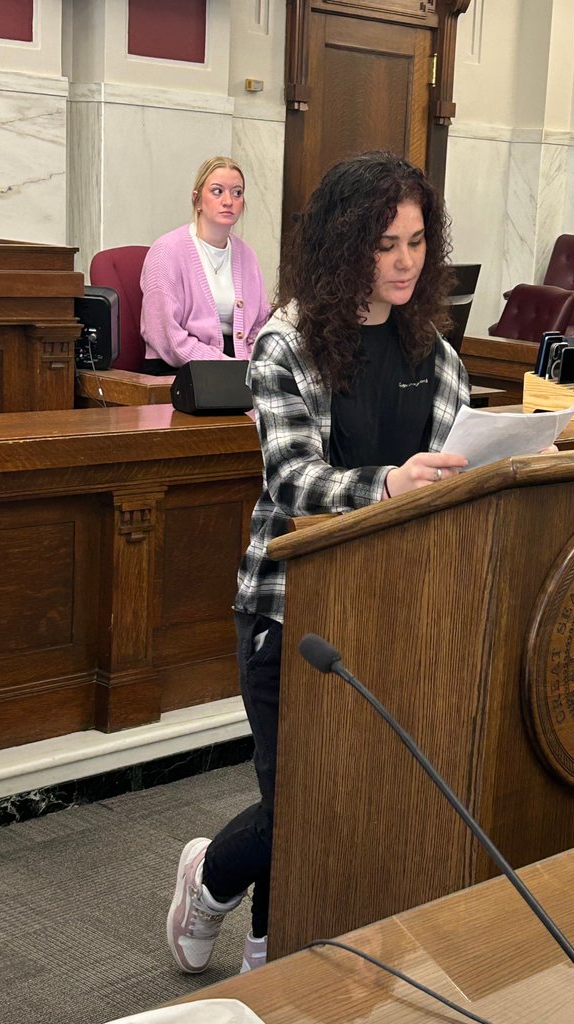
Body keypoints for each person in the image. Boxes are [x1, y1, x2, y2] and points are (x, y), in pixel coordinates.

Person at [166, 150, 471, 975]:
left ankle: (224, 891)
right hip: (288, 606)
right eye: (385, 245)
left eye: (417, 242)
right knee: (301, 798)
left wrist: (495, 465)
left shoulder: (434, 351)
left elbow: (454, 466)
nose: (405, 262)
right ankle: (254, 937)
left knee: (351, 792)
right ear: (344, 247)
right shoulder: (286, 344)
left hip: (395, 603)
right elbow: (293, 480)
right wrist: (390, 483)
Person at [140, 155, 272, 373]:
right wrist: (227, 366)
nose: (228, 201)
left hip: (236, 368)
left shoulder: (247, 255)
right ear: (197, 200)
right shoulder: (166, 251)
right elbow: (165, 335)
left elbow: (260, 326)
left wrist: (251, 365)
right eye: (217, 191)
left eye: (237, 193)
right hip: (177, 369)